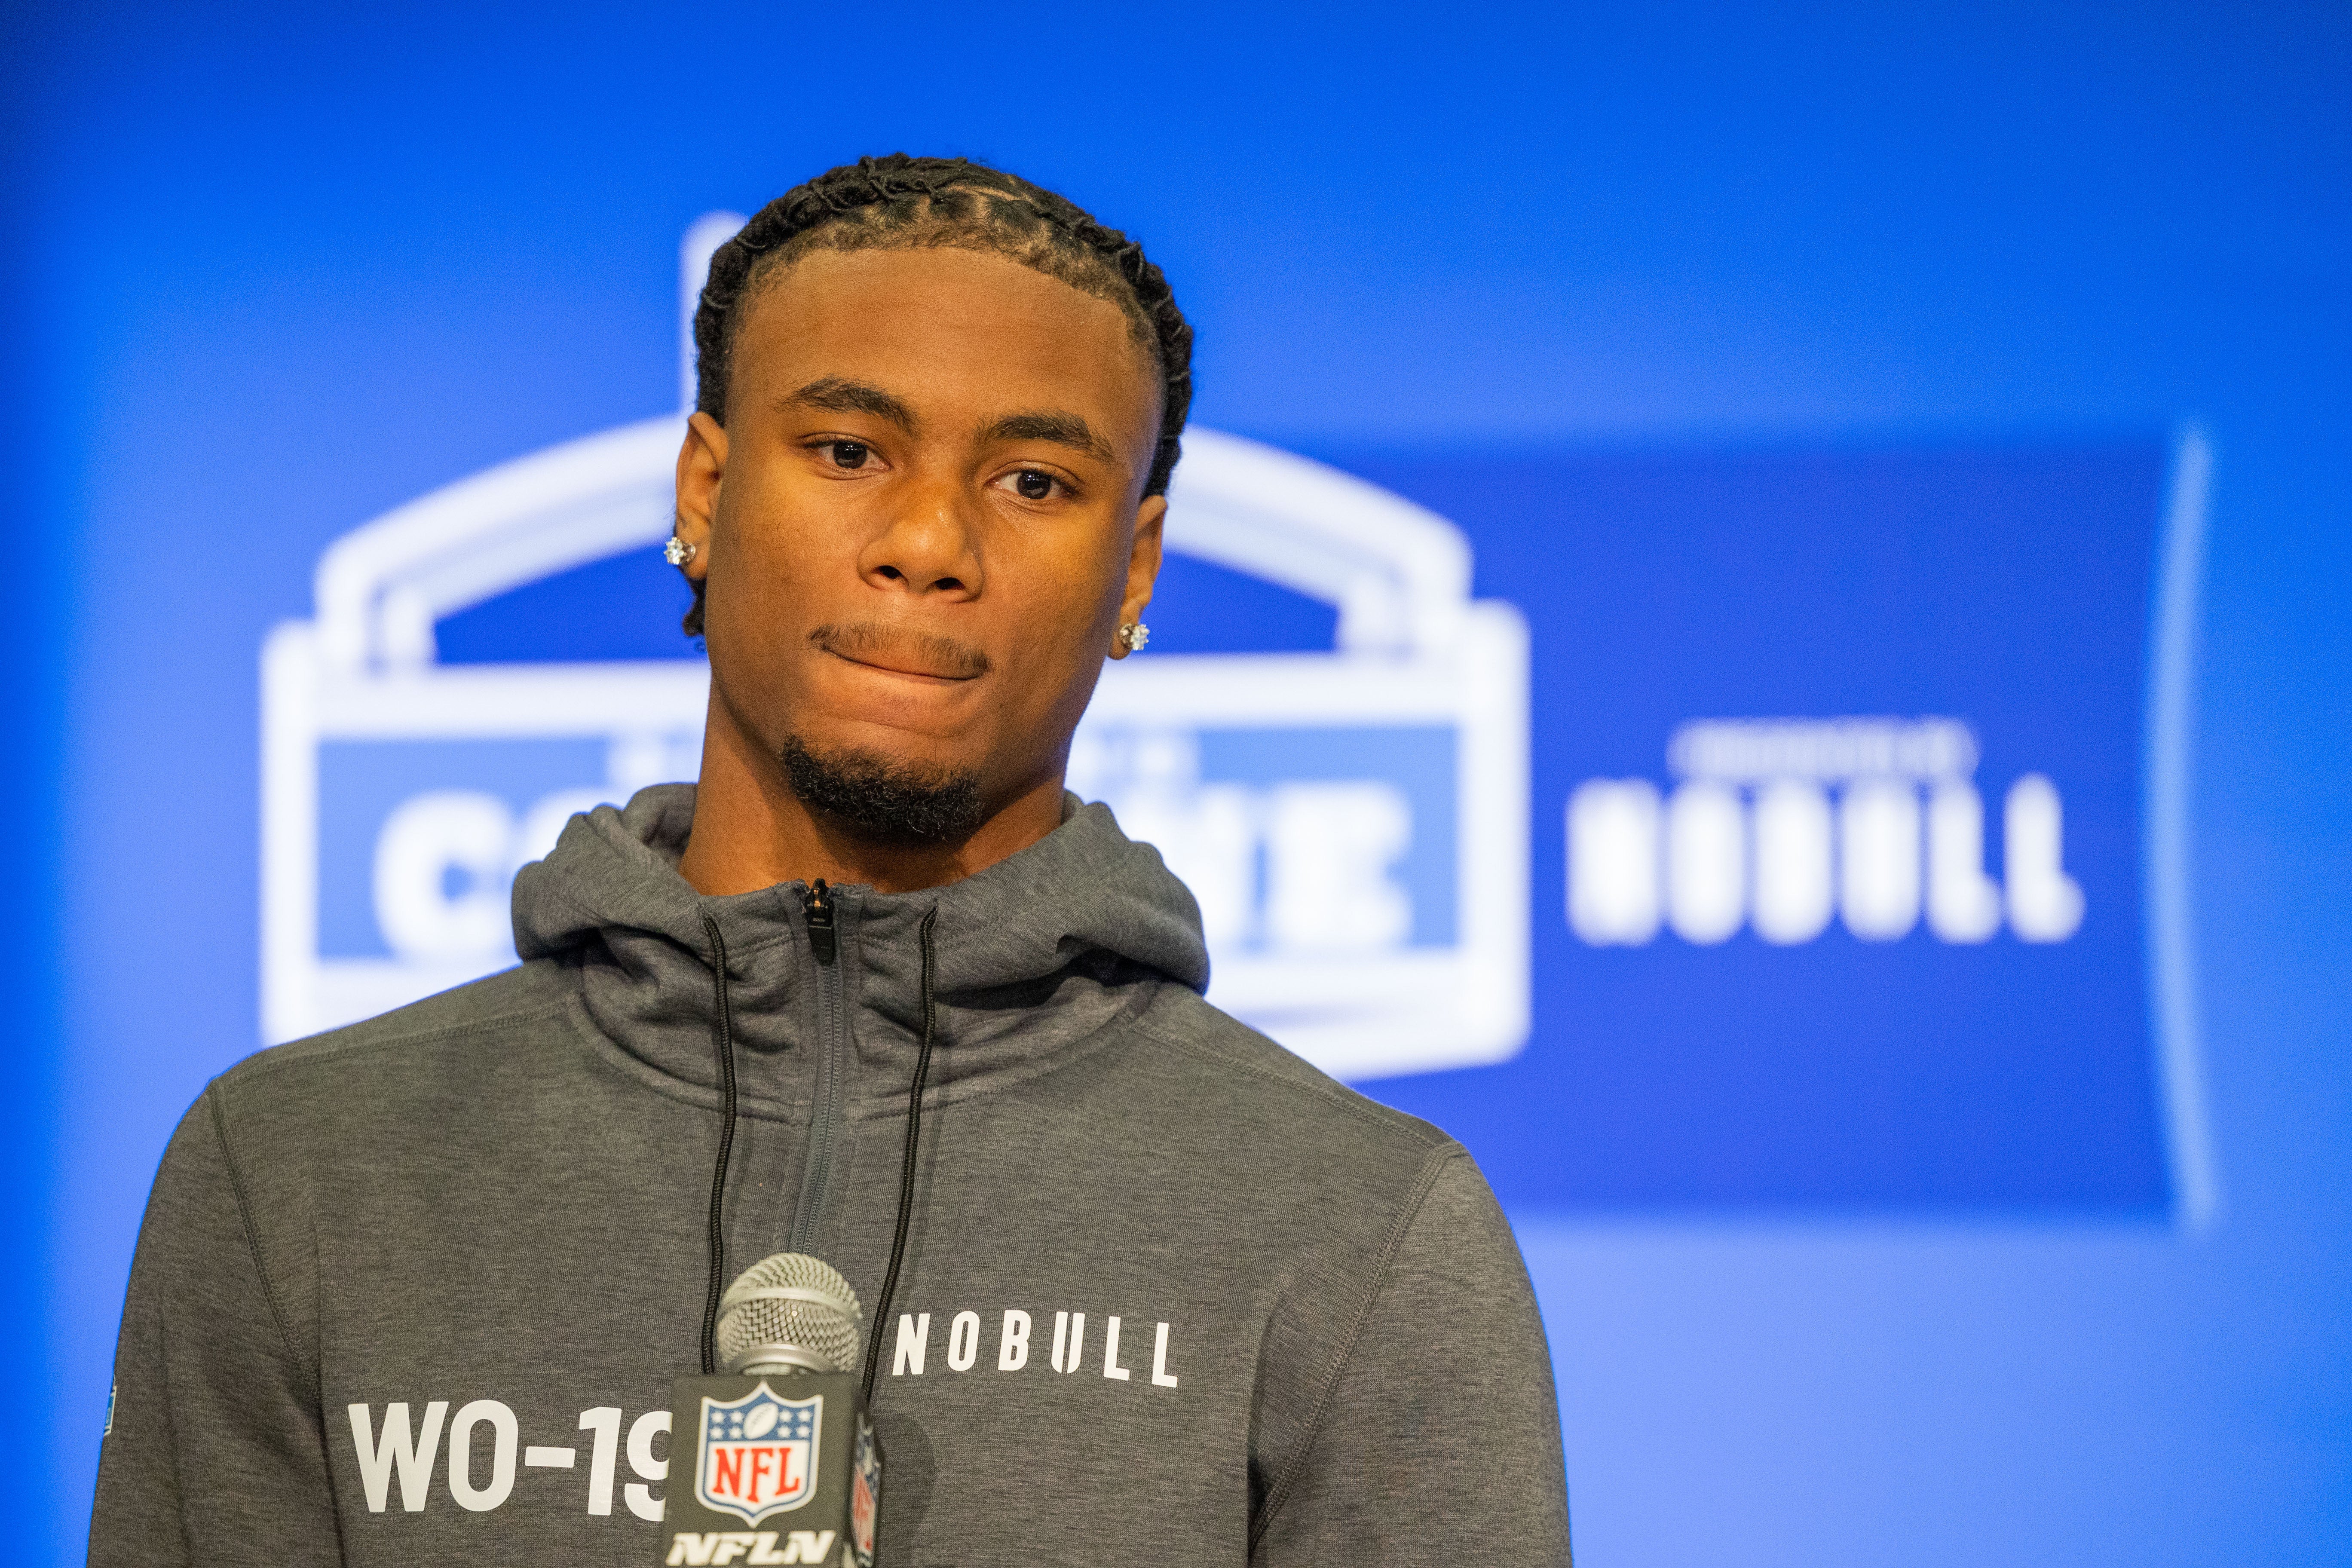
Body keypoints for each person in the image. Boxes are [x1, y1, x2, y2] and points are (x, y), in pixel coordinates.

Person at [90, 155, 1573, 1565]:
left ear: (1135, 567)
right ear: (702, 493)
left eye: (1038, 482)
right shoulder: (297, 1172)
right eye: (850, 450)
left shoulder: (1360, 1232)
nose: (929, 540)